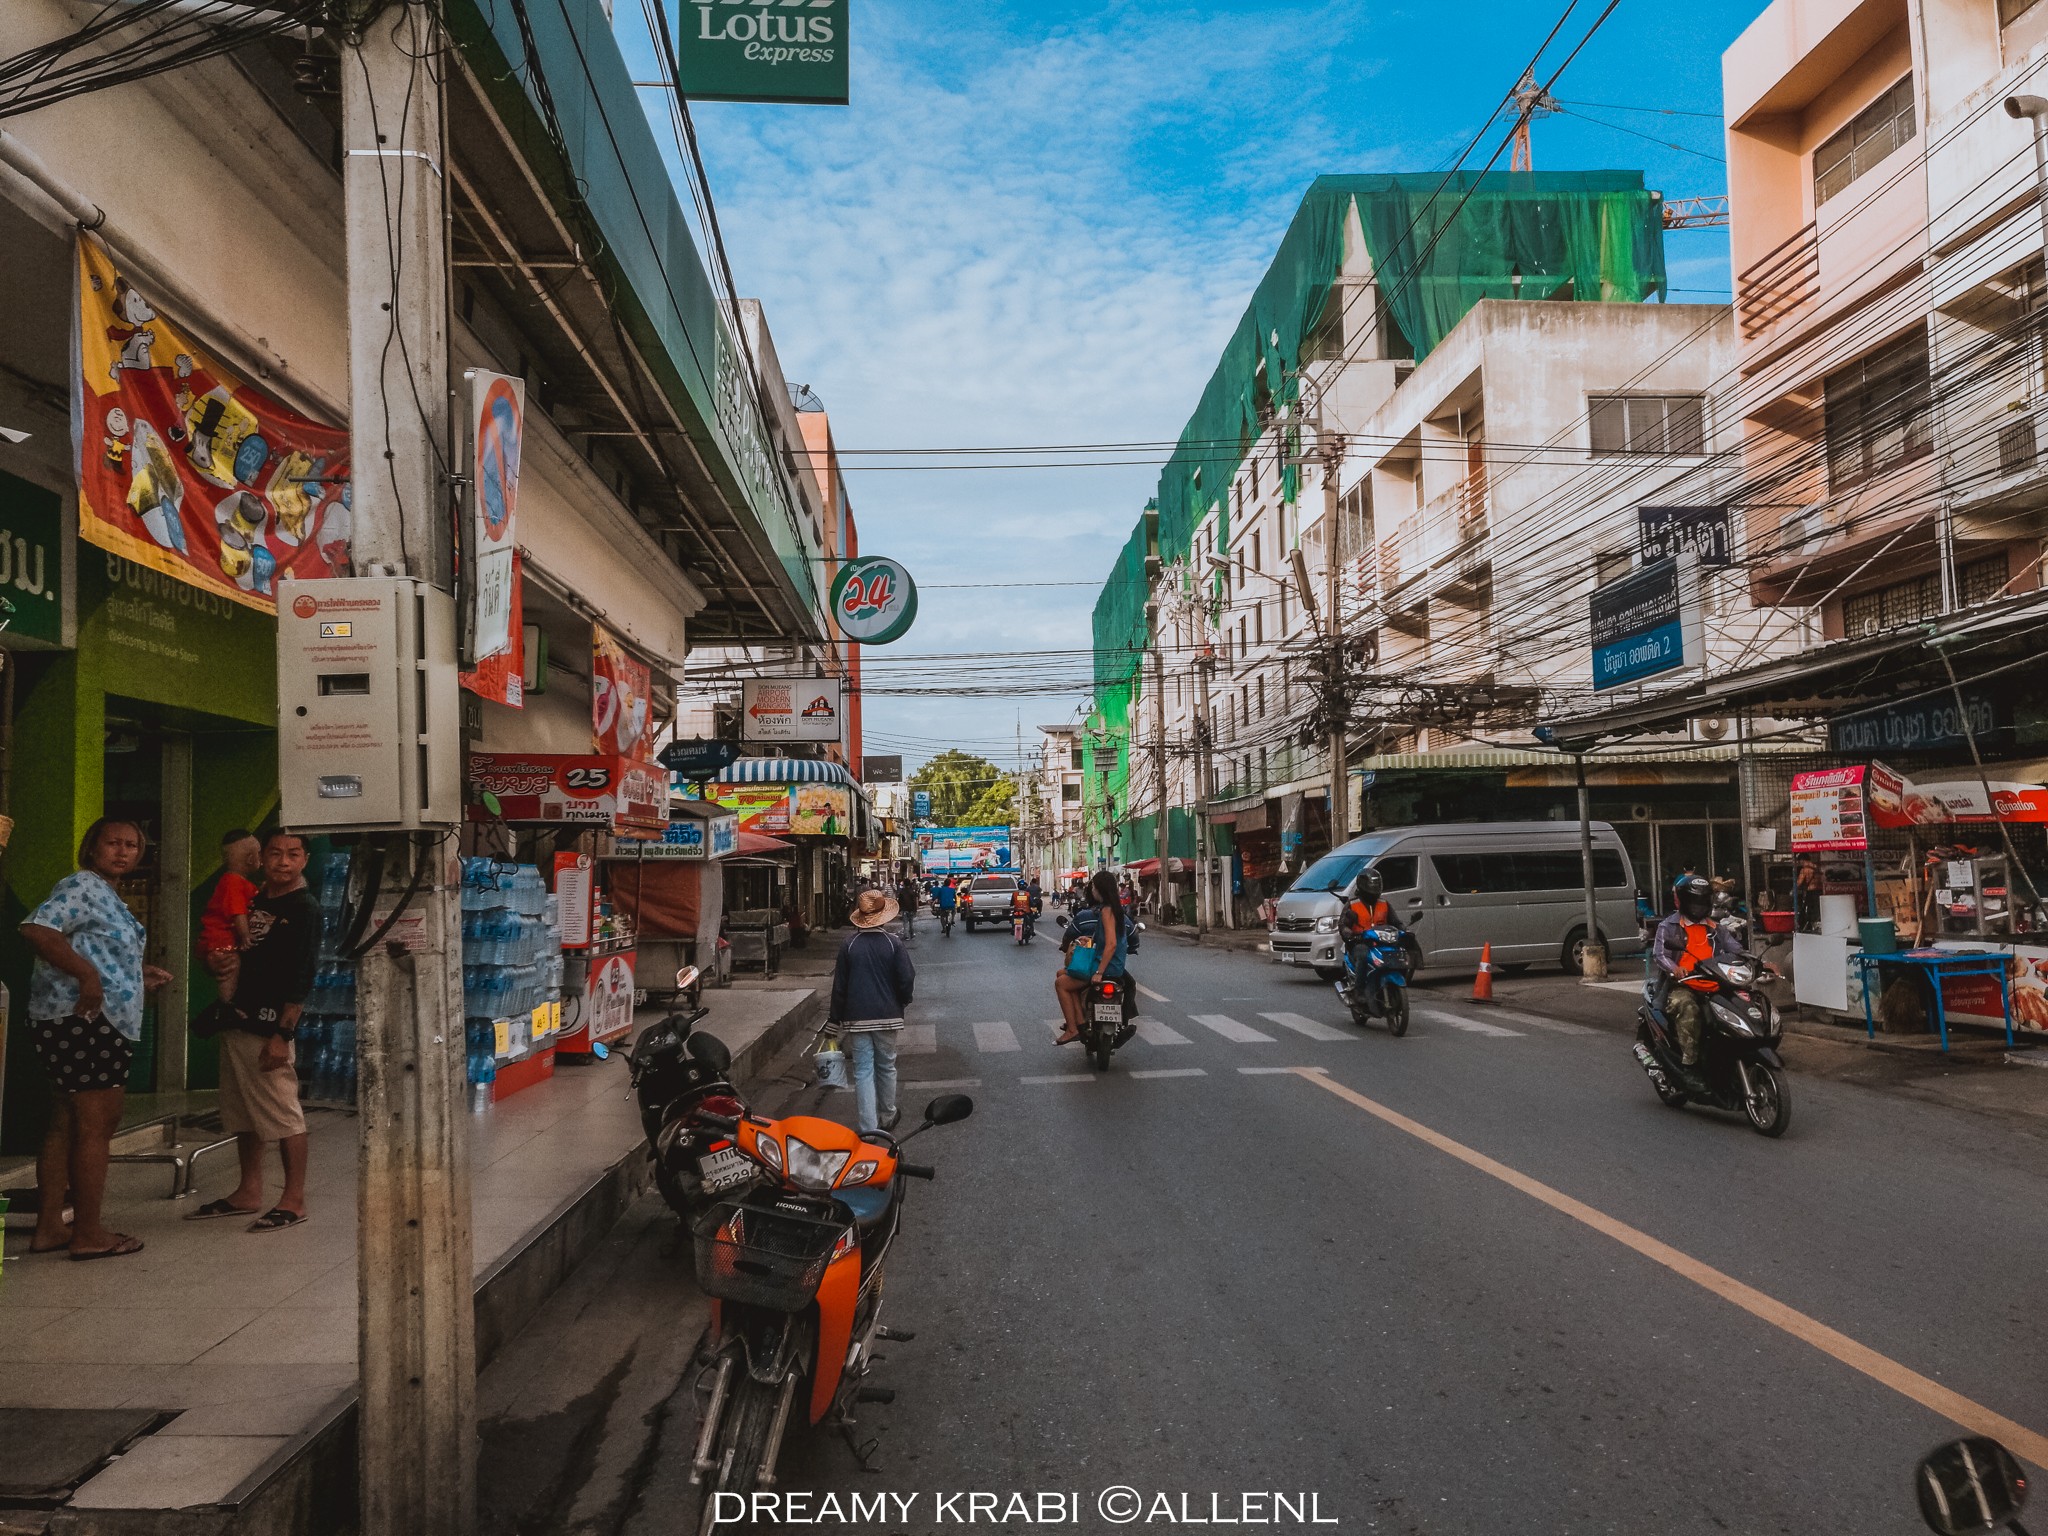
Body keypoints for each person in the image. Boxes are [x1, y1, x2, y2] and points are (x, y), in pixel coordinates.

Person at [20, 818, 173, 1259]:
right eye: (113, 843)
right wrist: (87, 976)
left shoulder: (106, 895)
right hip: (86, 1023)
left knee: (66, 1121)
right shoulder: (82, 885)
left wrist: (133, 974)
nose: (122, 852)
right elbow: (38, 930)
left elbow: (94, 949)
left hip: (82, 1020)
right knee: (97, 1123)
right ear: (92, 848)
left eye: (131, 846)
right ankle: (88, 1232)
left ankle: (50, 1225)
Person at [188, 830, 322, 1231]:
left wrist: (284, 1034)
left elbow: (302, 975)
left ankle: (293, 1200)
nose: (283, 861)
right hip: (236, 1017)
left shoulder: (305, 908)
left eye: (292, 854)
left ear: (305, 860)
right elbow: (223, 943)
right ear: (260, 857)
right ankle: (248, 1191)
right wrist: (213, 964)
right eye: (275, 853)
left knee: (284, 1115)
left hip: (268, 1027)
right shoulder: (253, 898)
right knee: (244, 1114)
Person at [830, 890, 915, 1134]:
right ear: (884, 917)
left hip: (856, 1018)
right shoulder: (893, 943)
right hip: (888, 1014)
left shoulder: (849, 944)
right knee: (887, 1066)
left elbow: (840, 986)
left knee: (863, 1070)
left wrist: (834, 1020)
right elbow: (906, 978)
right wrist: (903, 1001)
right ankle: (887, 1115)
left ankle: (868, 1127)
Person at [1652, 873, 1745, 1081]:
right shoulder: (1668, 926)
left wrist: (1758, 962)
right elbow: (1659, 955)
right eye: (1693, 902)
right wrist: (1674, 968)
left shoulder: (1715, 928)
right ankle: (1689, 1065)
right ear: (1684, 902)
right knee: (1688, 1008)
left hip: (1716, 983)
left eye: (1702, 902)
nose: (1698, 907)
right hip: (1683, 985)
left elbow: (1735, 949)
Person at [1055, 871, 1127, 1044]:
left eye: (1094, 886)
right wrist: (1091, 939)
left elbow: (1111, 944)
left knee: (1061, 984)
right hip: (1112, 963)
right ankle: (1079, 1022)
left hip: (1105, 966)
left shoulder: (1106, 910)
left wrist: (1099, 973)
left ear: (1100, 889)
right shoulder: (1114, 908)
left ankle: (1073, 1029)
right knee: (1061, 973)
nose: (1092, 890)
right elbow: (1108, 938)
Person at [197, 828, 261, 1003]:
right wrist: (245, 935)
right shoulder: (233, 883)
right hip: (221, 941)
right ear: (250, 859)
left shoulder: (237, 882)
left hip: (220, 941)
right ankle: (227, 1005)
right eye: (259, 854)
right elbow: (237, 912)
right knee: (230, 968)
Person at [1336, 867, 1419, 993]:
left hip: (1382, 943)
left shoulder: (1384, 904)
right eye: (1371, 884)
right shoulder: (1353, 905)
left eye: (1376, 884)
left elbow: (1396, 922)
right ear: (1363, 885)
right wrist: (1351, 935)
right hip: (1360, 943)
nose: (1374, 887)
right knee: (1362, 955)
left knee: (1400, 953)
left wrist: (1404, 931)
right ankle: (1358, 990)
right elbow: (1343, 925)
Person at [896, 873, 921, 938]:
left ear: (904, 884)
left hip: (904, 909)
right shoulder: (912, 891)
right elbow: (914, 901)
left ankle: (906, 935)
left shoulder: (902, 891)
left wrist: (899, 909)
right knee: (911, 922)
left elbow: (900, 901)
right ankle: (912, 934)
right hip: (911, 909)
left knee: (905, 923)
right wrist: (915, 909)